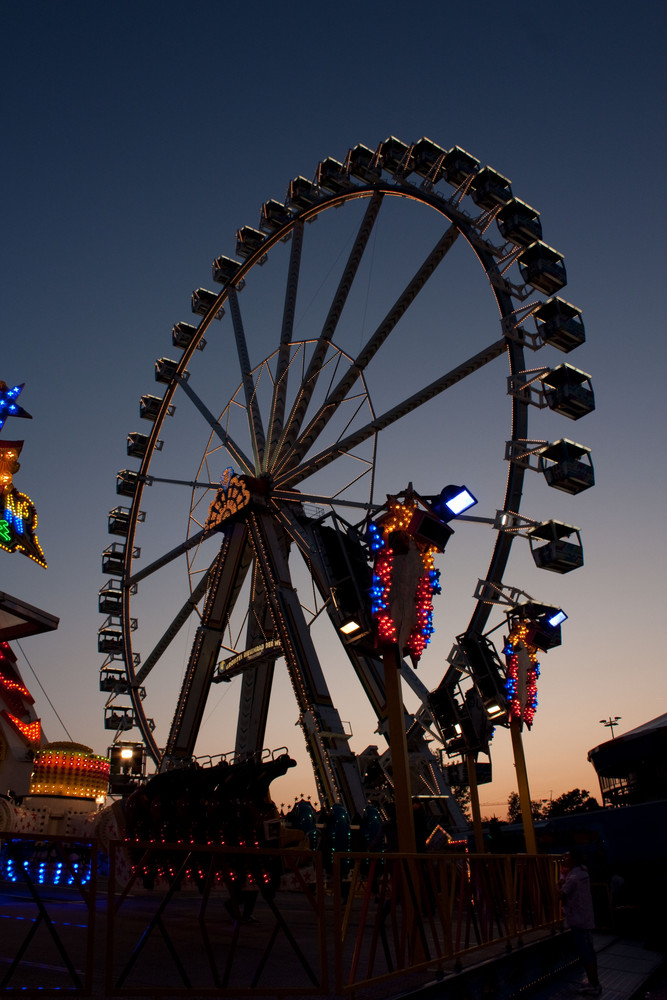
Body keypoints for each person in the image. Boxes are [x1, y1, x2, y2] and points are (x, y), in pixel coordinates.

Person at [559, 849, 602, 995]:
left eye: (567, 858)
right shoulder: (583, 873)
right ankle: (593, 982)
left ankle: (594, 985)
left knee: (586, 953)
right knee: (589, 951)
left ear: (573, 860)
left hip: (579, 920)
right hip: (585, 918)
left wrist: (559, 882)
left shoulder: (574, 877)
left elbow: (561, 894)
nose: (565, 860)